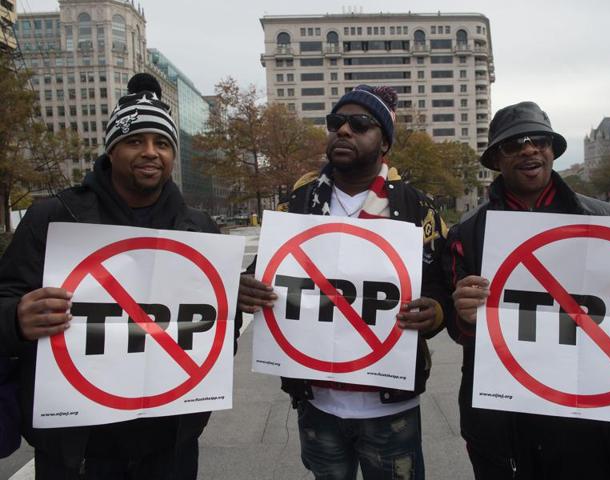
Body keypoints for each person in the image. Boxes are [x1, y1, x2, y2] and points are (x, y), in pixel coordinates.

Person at [0, 73, 234, 479]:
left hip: (169, 443)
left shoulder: (198, 230)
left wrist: (236, 306)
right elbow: (5, 299)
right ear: (111, 149)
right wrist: (16, 318)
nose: (150, 152)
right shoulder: (53, 217)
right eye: (134, 140)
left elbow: (219, 337)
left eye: (162, 143)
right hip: (78, 448)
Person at [238, 85, 450, 479]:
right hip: (317, 403)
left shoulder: (416, 207)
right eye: (336, 122)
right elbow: (261, 273)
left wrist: (435, 312)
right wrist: (245, 287)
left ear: (384, 141)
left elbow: (441, 287)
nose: (344, 131)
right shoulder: (296, 204)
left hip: (392, 408)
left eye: (360, 124)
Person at [443, 101, 610, 480]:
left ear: (552, 150)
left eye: (539, 140)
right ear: (496, 159)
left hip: (594, 422)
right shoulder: (466, 234)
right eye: (513, 144)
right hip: (507, 420)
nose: (529, 148)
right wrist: (462, 314)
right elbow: (458, 329)